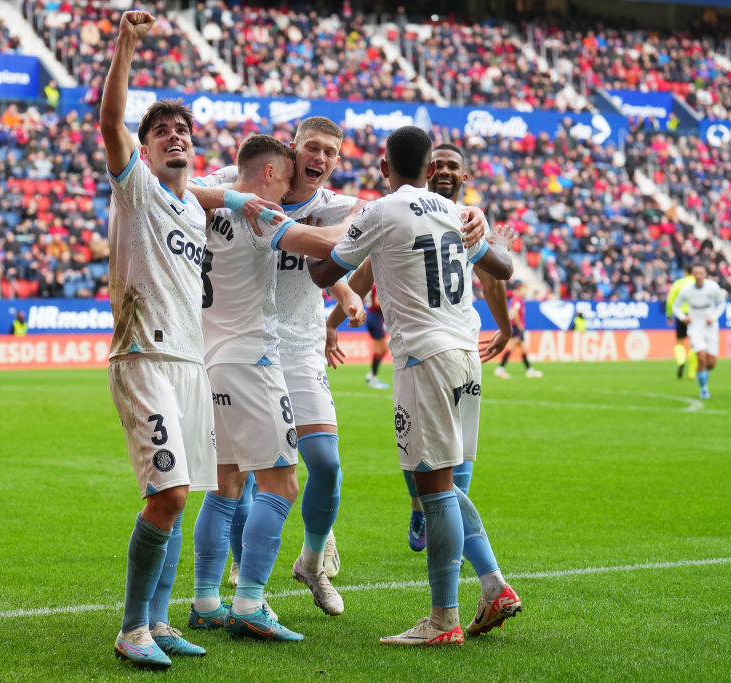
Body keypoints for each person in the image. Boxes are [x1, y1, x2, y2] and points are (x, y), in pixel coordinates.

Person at [99, 11, 271, 670]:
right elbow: (110, 123)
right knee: (167, 495)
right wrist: (126, 44)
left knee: (183, 495)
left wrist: (238, 199)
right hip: (143, 355)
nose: (175, 136)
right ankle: (130, 628)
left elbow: (203, 195)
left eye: (184, 131)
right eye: (162, 131)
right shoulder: (136, 187)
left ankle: (159, 620)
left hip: (189, 363)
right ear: (144, 151)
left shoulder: (194, 207)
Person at [309, 125, 522, 647]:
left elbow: (322, 273)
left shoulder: (382, 211)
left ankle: (444, 619)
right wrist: (490, 232)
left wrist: (294, 232)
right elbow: (502, 266)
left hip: (425, 358)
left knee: (434, 489)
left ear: (384, 167)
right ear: (430, 170)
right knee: (444, 484)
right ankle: (492, 586)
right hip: (465, 356)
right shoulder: (454, 212)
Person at [188, 134, 357, 641]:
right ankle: (250, 601)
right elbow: (323, 246)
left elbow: (167, 188)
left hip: (211, 353)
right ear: (268, 173)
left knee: (224, 485)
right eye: (283, 179)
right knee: (281, 483)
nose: (286, 191)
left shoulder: (213, 204)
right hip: (253, 356)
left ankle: (205, 601)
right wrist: (364, 218)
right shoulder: (262, 213)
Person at [672, 264, 725, 399]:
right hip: (695, 325)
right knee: (701, 357)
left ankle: (701, 374)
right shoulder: (686, 290)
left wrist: (713, 317)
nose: (698, 276)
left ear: (705, 274)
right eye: (696, 273)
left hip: (710, 326)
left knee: (711, 363)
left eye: (701, 273)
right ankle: (703, 389)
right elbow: (675, 306)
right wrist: (683, 318)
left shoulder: (713, 287)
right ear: (693, 274)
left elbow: (722, 303)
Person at [494, 281, 542, 378]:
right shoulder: (517, 300)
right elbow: (515, 313)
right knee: (511, 347)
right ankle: (500, 369)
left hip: (516, 327)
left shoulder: (518, 300)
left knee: (524, 348)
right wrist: (519, 325)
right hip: (516, 327)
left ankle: (529, 370)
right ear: (519, 289)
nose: (526, 292)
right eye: (525, 289)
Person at [666, 266, 697, 380]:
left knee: (679, 341)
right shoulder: (697, 283)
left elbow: (670, 300)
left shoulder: (679, 283)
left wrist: (669, 314)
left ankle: (681, 361)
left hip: (681, 315)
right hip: (694, 315)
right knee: (694, 343)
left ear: (685, 272)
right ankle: (692, 373)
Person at [364, 285, 390, 389]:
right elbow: (377, 303)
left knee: (380, 350)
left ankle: (372, 375)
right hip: (376, 318)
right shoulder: (379, 285)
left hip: (371, 316)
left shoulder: (371, 286)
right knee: (382, 349)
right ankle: (373, 378)